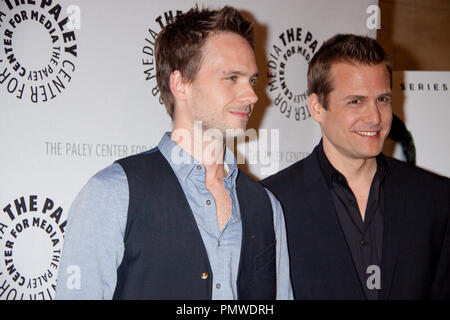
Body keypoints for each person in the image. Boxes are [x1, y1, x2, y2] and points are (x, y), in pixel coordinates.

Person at [55, 6, 292, 300]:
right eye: (232, 78)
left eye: (252, 80)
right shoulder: (112, 194)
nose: (252, 95)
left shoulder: (267, 206)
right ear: (180, 84)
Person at [262, 34, 450, 299]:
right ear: (317, 107)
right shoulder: (272, 202)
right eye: (356, 101)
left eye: (382, 99)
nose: (375, 117)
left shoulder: (436, 198)